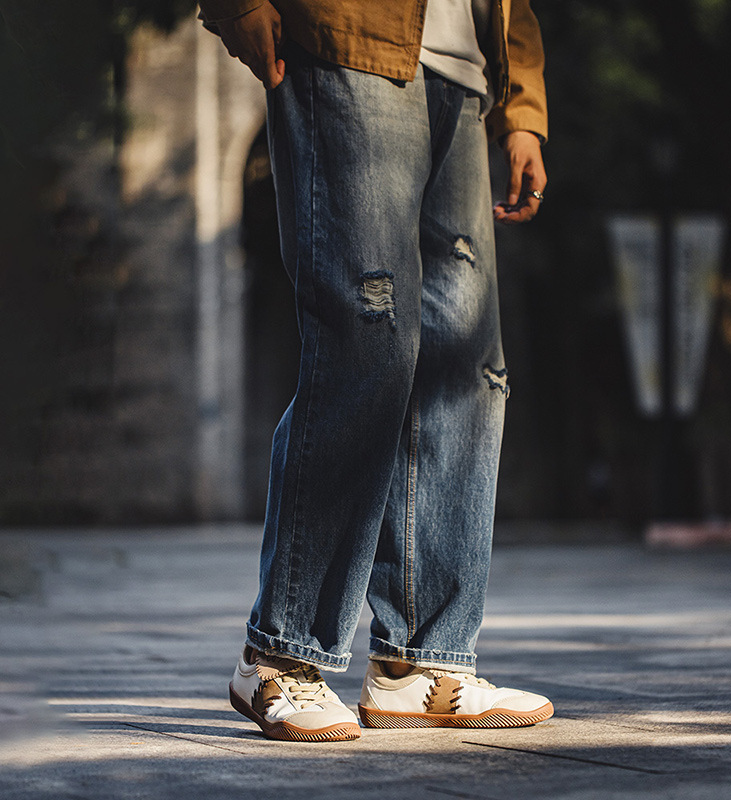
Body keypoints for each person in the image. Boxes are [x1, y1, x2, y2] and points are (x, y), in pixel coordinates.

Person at [198, 0, 553, 742]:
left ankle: (419, 664)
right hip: (346, 37)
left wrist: (521, 102)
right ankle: (279, 653)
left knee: (468, 368)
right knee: (367, 337)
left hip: (464, 65)